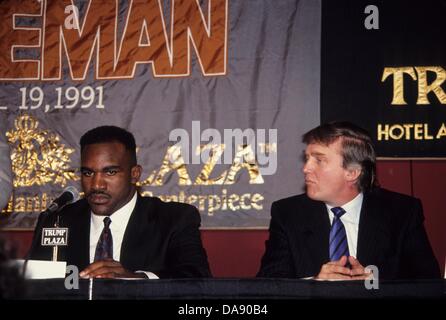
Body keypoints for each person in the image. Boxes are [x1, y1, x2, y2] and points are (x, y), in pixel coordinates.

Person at [257, 121, 440, 280]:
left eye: (319, 160)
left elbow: (428, 285)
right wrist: (314, 283)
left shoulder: (402, 213)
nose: (306, 168)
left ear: (352, 173)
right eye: (307, 159)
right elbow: (270, 283)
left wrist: (375, 285)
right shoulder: (288, 214)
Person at [28, 125, 211, 279]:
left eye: (110, 172)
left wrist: (135, 279)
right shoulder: (58, 220)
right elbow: (34, 283)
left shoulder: (173, 219)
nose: (96, 184)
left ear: (134, 174)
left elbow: (197, 278)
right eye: (88, 173)